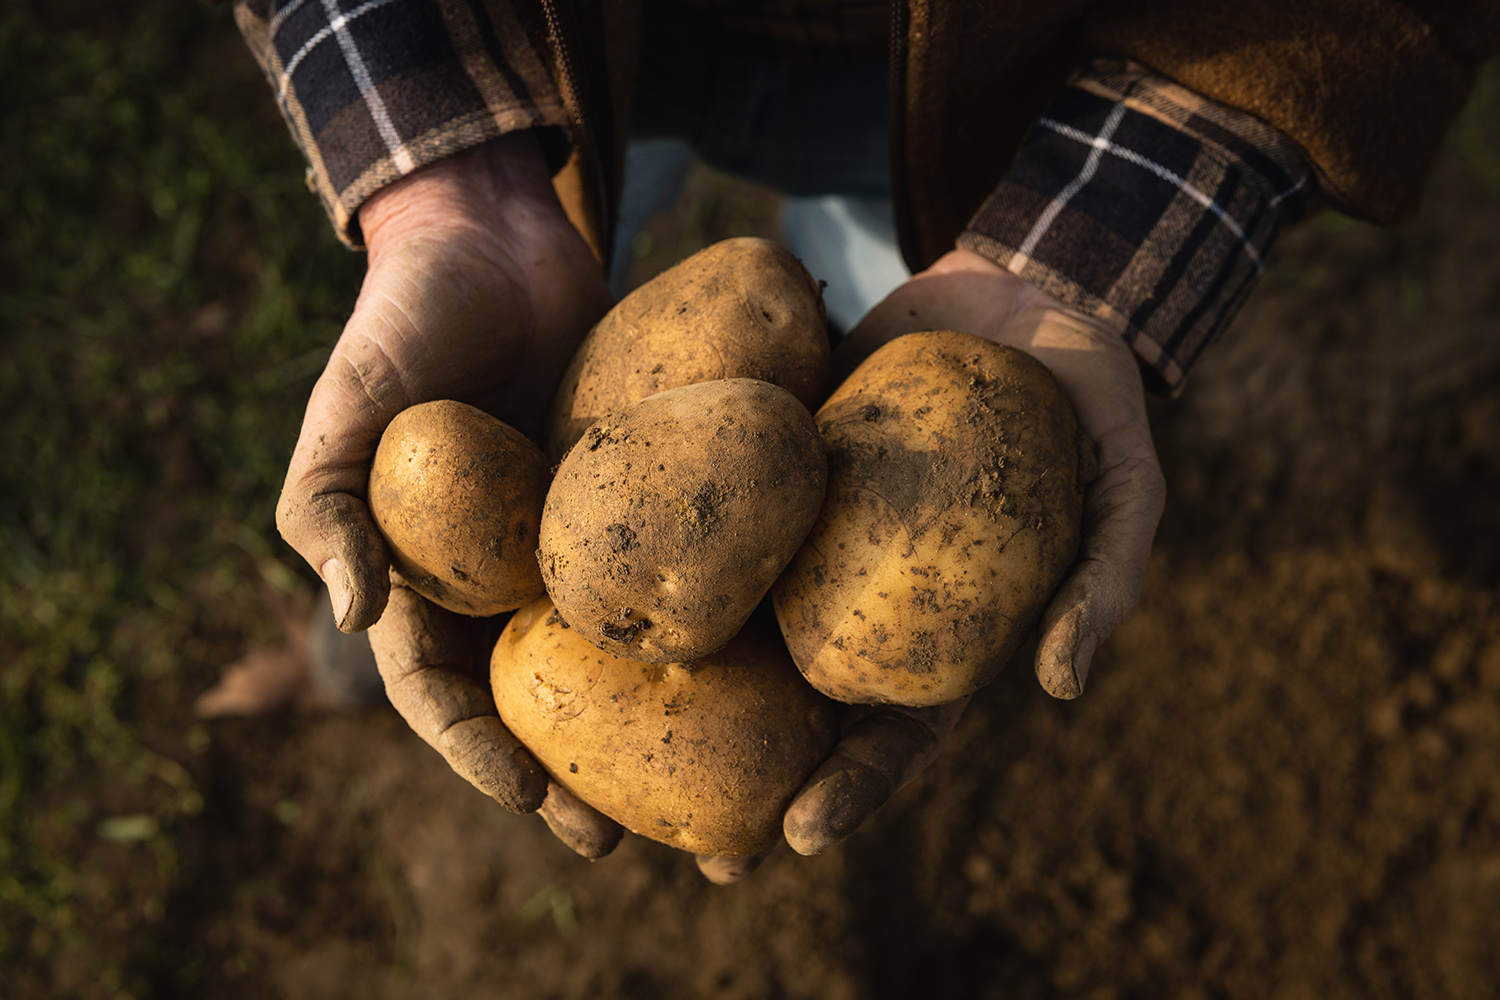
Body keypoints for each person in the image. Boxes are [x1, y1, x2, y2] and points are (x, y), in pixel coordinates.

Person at [231, 0, 1499, 882]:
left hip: (1005, 87)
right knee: (475, 409)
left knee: (865, 296)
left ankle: (362, 623)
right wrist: (441, 181)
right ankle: (356, 633)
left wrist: (1087, 258)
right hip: (557, 45)